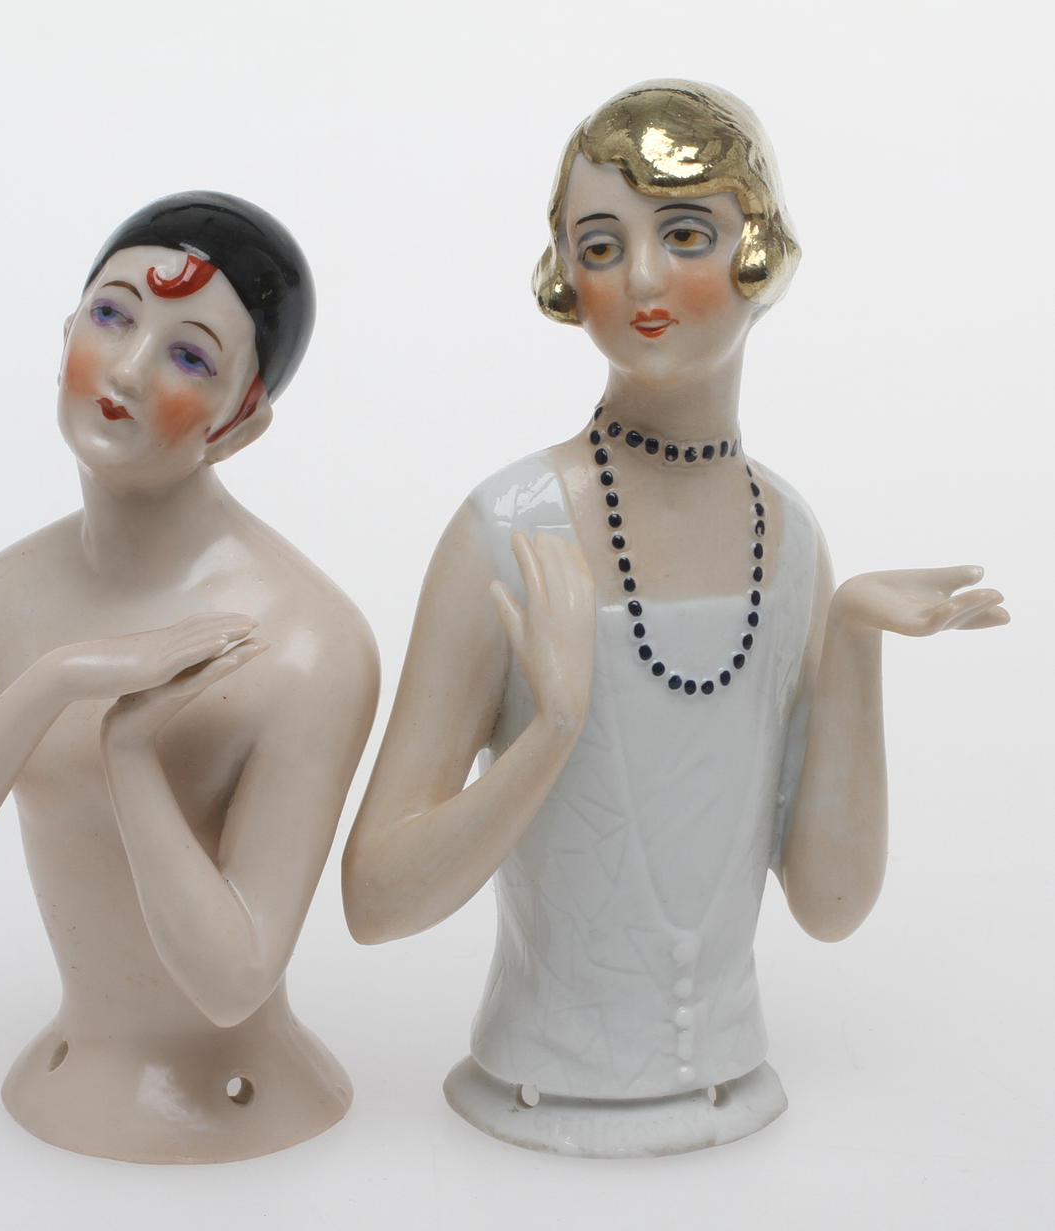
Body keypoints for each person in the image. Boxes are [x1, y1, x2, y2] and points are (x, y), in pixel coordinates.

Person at [341, 82, 1007, 1157]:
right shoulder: (506, 529)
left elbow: (830, 903)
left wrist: (853, 642)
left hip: (739, 1095)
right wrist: (551, 731)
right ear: (567, 276)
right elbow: (375, 898)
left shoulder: (790, 538)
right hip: (529, 1098)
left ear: (759, 252)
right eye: (601, 246)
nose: (643, 279)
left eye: (685, 234)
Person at [0, 192, 379, 1163]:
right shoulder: (1, 599)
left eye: (191, 358)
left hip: (246, 1109)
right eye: (112, 314)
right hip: (52, 1089)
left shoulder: (311, 640)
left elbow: (233, 980)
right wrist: (55, 682)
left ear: (240, 423)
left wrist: (129, 750)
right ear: (65, 332)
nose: (128, 369)